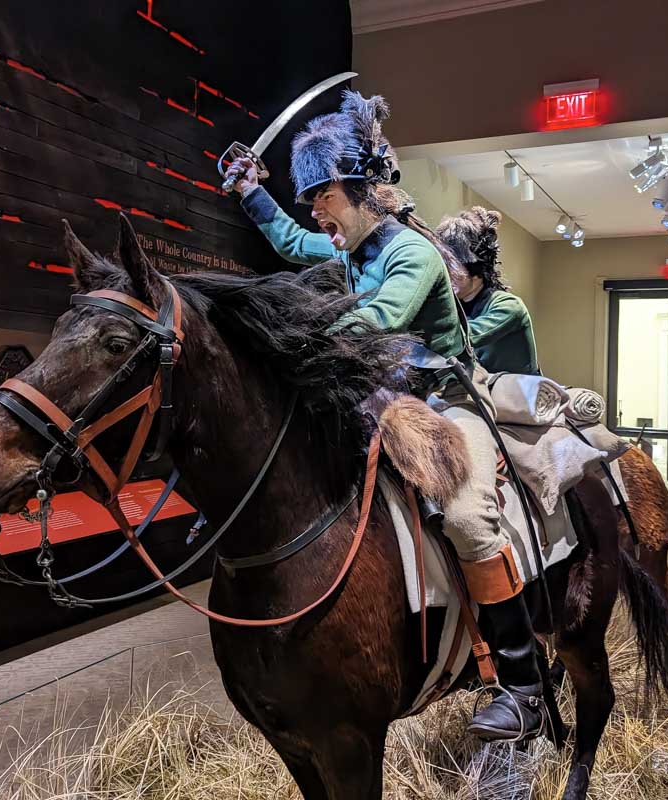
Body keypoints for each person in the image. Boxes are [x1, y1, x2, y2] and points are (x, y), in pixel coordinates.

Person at [224, 90, 545, 742]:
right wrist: (251, 191)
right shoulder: (347, 249)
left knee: (465, 517)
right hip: (384, 399)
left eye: (324, 198)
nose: (315, 212)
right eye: (312, 199)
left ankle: (522, 685)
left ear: (365, 193)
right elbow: (289, 240)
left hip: (448, 405)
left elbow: (378, 322)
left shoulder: (414, 254)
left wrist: (290, 323)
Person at [436, 207, 540, 376]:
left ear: (476, 271)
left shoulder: (509, 306)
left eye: (454, 270)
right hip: (483, 391)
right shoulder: (455, 305)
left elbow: (466, 337)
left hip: (515, 396)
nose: (447, 276)